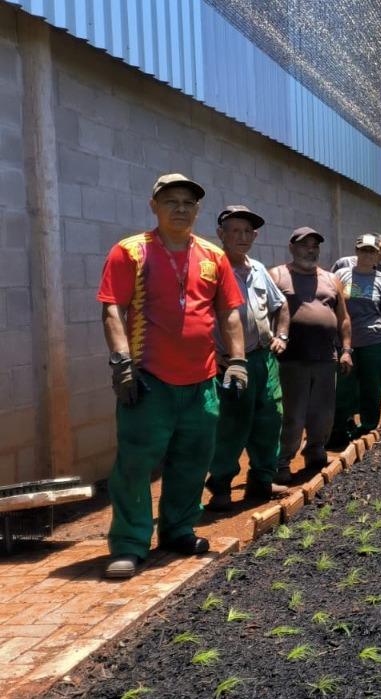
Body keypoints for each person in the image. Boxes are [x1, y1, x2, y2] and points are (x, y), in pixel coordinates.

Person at [96, 173, 246, 578]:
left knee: (192, 460)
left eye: (188, 203)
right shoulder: (130, 252)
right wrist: (122, 363)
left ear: (198, 210)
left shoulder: (213, 257)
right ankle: (129, 543)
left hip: (202, 383)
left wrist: (236, 361)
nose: (180, 208)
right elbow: (113, 308)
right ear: (154, 206)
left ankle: (178, 529)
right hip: (148, 381)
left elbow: (229, 311)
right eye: (171, 201)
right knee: (135, 464)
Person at [206, 206, 291, 510]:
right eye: (235, 231)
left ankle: (262, 480)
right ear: (221, 234)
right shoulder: (212, 268)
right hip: (229, 363)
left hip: (263, 359)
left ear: (255, 236)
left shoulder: (258, 269)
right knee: (231, 425)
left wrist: (281, 336)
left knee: (270, 419)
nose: (243, 237)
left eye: (248, 232)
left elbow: (281, 305)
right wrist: (211, 354)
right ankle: (221, 488)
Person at [269, 228, 353, 482]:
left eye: (315, 246)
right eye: (305, 245)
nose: (310, 250)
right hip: (290, 360)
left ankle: (316, 450)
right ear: (292, 247)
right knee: (292, 414)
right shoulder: (277, 275)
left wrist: (346, 350)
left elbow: (344, 318)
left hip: (326, 359)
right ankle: (281, 462)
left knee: (324, 413)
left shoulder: (331, 279)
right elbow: (264, 313)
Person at [331, 234, 381, 444]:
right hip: (345, 342)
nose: (367, 254)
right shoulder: (341, 274)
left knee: (372, 386)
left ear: (378, 254)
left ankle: (368, 427)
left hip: (374, 340)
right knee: (344, 387)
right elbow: (329, 302)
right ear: (357, 251)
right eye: (363, 250)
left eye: (372, 251)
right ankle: (339, 429)